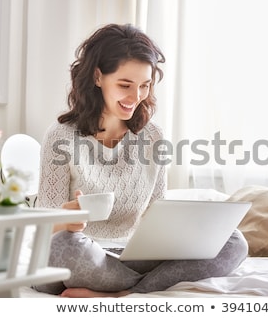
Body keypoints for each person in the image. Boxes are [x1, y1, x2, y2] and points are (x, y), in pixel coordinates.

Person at [33, 23, 248, 298]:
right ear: (98, 77)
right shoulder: (61, 135)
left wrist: (182, 233)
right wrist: (68, 220)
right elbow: (45, 228)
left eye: (144, 86)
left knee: (234, 241)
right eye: (125, 85)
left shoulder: (154, 137)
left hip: (129, 255)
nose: (136, 97)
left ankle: (121, 294)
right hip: (74, 253)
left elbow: (154, 215)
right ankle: (144, 286)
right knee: (63, 246)